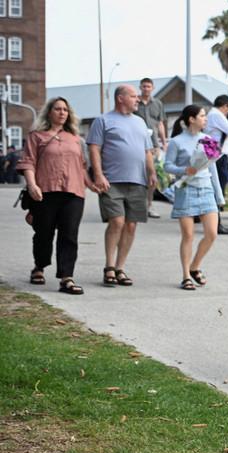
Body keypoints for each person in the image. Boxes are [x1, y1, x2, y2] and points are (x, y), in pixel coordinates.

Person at [18, 97, 96, 294]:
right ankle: (39, 266)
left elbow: (82, 166)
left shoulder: (76, 139)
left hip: (73, 192)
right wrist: (32, 184)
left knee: (69, 234)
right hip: (45, 191)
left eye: (65, 110)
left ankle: (66, 277)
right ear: (49, 112)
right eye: (58, 109)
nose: (62, 112)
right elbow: (28, 162)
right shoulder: (37, 136)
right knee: (44, 233)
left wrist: (92, 185)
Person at [87, 84, 156, 287]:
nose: (137, 99)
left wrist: (151, 173)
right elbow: (94, 149)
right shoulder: (103, 121)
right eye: (133, 96)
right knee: (117, 222)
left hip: (137, 181)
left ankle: (120, 267)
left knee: (131, 225)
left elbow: (147, 151)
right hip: (111, 180)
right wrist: (98, 175)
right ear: (120, 98)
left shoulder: (140, 122)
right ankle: (109, 266)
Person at [163, 105, 225, 290]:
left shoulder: (208, 140)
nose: (205, 119)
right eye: (202, 116)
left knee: (212, 234)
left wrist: (219, 195)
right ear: (191, 119)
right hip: (186, 189)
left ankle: (195, 266)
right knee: (188, 235)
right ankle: (185, 275)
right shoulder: (176, 141)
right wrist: (184, 170)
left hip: (206, 189)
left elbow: (212, 167)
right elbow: (167, 166)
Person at [205, 94, 228, 235]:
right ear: (226, 106)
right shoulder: (216, 115)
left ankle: (215, 222)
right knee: (218, 189)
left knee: (218, 188)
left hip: (218, 156)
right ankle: (216, 224)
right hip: (218, 157)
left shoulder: (213, 114)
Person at [133, 77, 167, 219]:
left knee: (152, 175)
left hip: (153, 144)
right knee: (137, 175)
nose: (146, 88)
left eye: (149, 86)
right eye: (144, 86)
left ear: (152, 88)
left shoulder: (158, 103)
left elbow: (160, 124)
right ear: (140, 87)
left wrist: (163, 142)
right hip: (136, 144)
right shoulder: (134, 102)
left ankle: (149, 205)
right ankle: (136, 205)